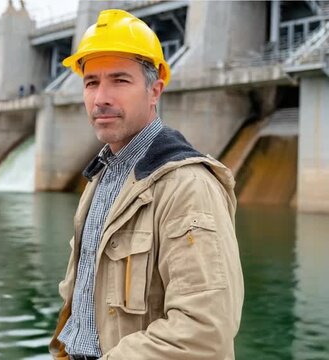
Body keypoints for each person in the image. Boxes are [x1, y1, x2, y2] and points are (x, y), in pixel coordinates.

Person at [49, 9, 243, 360]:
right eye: (91, 82)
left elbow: (204, 331)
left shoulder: (188, 187)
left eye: (119, 81)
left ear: (155, 91)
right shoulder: (103, 176)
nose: (100, 98)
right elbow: (80, 305)